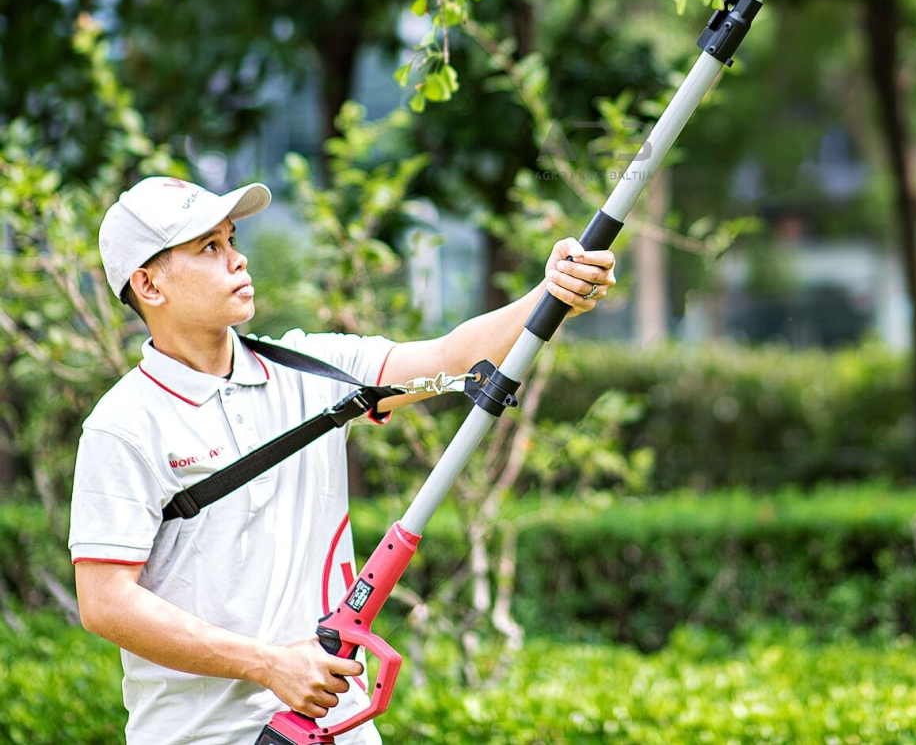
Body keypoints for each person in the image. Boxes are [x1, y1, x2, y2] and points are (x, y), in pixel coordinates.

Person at [69, 176, 617, 745]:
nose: (238, 259)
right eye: (210, 247)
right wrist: (267, 663)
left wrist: (550, 293)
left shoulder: (310, 368)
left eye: (232, 239)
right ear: (148, 284)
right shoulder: (124, 425)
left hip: (340, 729)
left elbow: (449, 356)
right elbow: (106, 604)